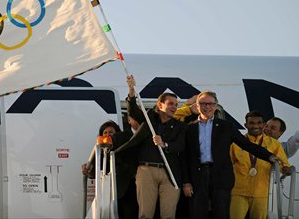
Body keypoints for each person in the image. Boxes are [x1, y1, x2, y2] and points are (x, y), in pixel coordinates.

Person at [181, 91, 280, 219]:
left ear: (216, 106)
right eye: (203, 103)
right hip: (197, 177)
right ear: (197, 106)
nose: (207, 107)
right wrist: (186, 182)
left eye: (210, 104)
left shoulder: (226, 127)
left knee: (221, 214)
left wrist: (269, 156)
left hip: (221, 177)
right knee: (197, 214)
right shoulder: (189, 128)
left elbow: (247, 145)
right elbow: (184, 157)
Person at [124, 75, 186, 219]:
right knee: (145, 214)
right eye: (171, 103)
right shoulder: (149, 119)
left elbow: (180, 145)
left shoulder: (180, 126)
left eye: (176, 105)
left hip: (170, 173)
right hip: (146, 171)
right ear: (160, 105)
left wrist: (165, 144)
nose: (174, 107)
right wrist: (131, 90)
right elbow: (133, 111)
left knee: (169, 215)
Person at [229, 111, 290, 219]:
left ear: (263, 125)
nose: (255, 126)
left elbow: (283, 164)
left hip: (261, 193)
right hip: (239, 192)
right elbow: (227, 164)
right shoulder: (236, 143)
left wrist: (285, 169)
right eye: (251, 123)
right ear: (246, 125)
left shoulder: (274, 144)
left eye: (259, 123)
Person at [82, 120, 139, 219]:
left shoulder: (126, 147)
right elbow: (94, 172)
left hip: (127, 190)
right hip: (108, 193)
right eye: (105, 133)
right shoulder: (98, 152)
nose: (108, 135)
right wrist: (88, 170)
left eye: (111, 132)